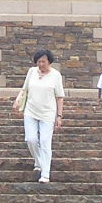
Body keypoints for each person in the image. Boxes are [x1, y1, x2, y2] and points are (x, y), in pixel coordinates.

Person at [18, 49, 64, 182]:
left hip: (48, 113)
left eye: (43, 61)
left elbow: (60, 97)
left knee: (45, 142)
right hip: (31, 111)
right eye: (38, 61)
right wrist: (18, 100)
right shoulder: (32, 72)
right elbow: (24, 88)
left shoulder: (56, 75)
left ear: (49, 61)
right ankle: (38, 162)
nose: (41, 64)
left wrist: (59, 116)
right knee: (30, 139)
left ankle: (45, 173)